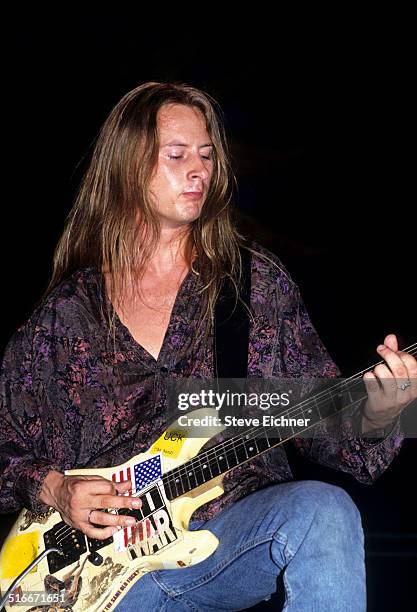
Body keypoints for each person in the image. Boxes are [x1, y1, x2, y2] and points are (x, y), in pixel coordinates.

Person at [0, 81, 416, 612]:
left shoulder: (251, 286)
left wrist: (385, 413)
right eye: (176, 155)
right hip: (95, 578)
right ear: (128, 168)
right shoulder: (65, 315)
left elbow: (328, 425)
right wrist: (56, 489)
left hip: (226, 545)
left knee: (324, 509)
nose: (198, 169)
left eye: (207, 154)